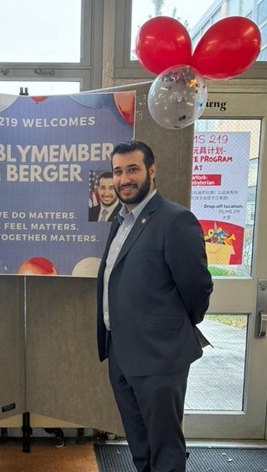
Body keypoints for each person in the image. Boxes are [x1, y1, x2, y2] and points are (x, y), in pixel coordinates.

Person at [96, 140, 213, 472]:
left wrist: (172, 327)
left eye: (132, 169)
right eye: (118, 171)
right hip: (120, 351)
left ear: (151, 170)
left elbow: (198, 287)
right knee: (140, 443)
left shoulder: (175, 220)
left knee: (165, 448)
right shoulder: (121, 222)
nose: (123, 179)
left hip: (160, 354)